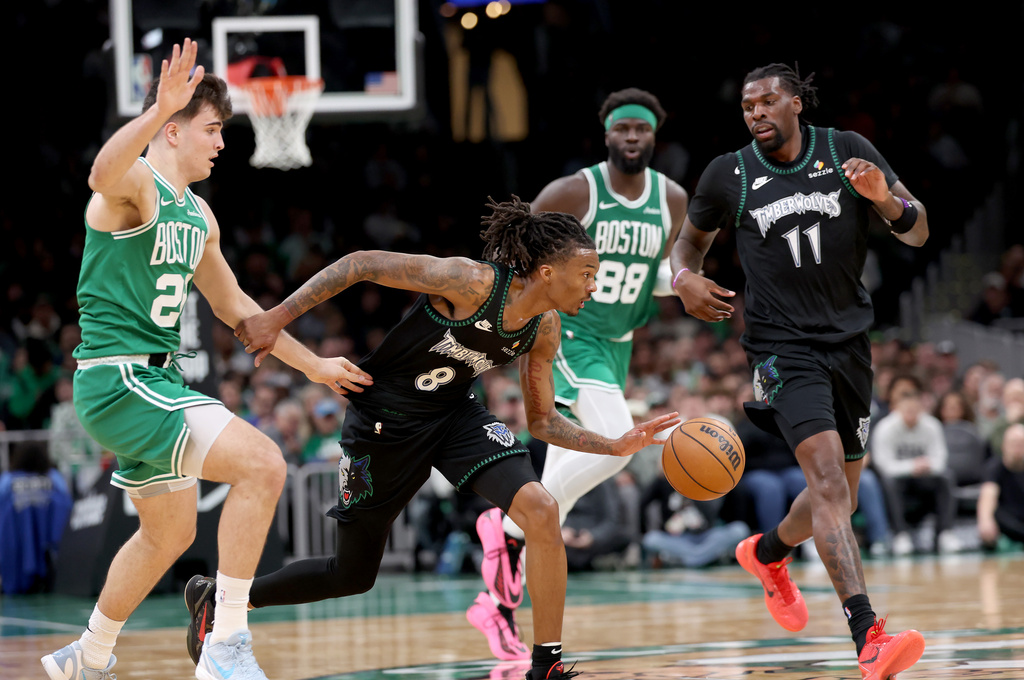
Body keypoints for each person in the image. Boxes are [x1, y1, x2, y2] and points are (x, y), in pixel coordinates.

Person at [184, 196, 680, 680]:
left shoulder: (543, 327)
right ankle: (227, 598)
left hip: (454, 415)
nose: (594, 285)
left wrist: (615, 446)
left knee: (542, 510)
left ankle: (545, 663)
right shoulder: (469, 281)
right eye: (587, 274)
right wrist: (276, 318)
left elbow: (544, 421)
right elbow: (360, 263)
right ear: (548, 273)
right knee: (351, 576)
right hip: (385, 422)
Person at [41, 39, 371, 680]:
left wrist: (317, 367)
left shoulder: (200, 217)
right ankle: (225, 642)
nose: (223, 142)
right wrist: (150, 112)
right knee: (264, 464)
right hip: (120, 377)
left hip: (147, 380)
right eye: (212, 128)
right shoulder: (135, 184)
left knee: (169, 535)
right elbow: (100, 174)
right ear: (171, 130)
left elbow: (240, 311)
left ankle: (89, 654)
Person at [670, 63, 929, 680]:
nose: (755, 113)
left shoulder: (846, 151)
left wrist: (884, 201)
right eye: (746, 106)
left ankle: (767, 553)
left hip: (850, 344)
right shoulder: (726, 173)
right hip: (781, 349)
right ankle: (867, 634)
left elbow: (919, 230)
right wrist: (684, 280)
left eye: (766, 102)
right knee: (830, 486)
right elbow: (688, 243)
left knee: (839, 494)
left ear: (795, 103)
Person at [467, 87, 688, 659]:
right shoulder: (577, 191)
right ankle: (505, 529)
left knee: (554, 498)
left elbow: (661, 274)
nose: (632, 137)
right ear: (608, 135)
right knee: (619, 441)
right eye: (622, 129)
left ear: (654, 137)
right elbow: (514, 245)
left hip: (619, 344)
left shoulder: (672, 200)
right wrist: (512, 313)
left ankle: (494, 604)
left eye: (642, 129)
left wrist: (685, 283)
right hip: (569, 335)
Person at [977, 423, 1024, 550]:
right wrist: (985, 520)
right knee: (995, 513)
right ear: (1003, 446)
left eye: (1021, 444)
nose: (1017, 448)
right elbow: (988, 495)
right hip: (1008, 522)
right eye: (1014, 443)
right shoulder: (994, 468)